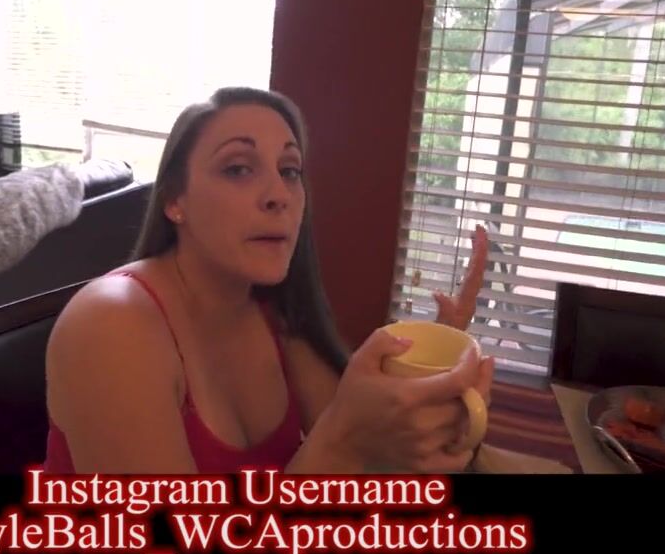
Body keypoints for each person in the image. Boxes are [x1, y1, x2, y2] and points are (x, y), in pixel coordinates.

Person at [44, 87, 494, 474]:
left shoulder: (274, 314)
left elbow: (373, 463)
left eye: (290, 171)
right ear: (175, 201)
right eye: (238, 168)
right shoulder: (111, 324)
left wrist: (430, 376)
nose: (279, 194)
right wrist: (343, 442)